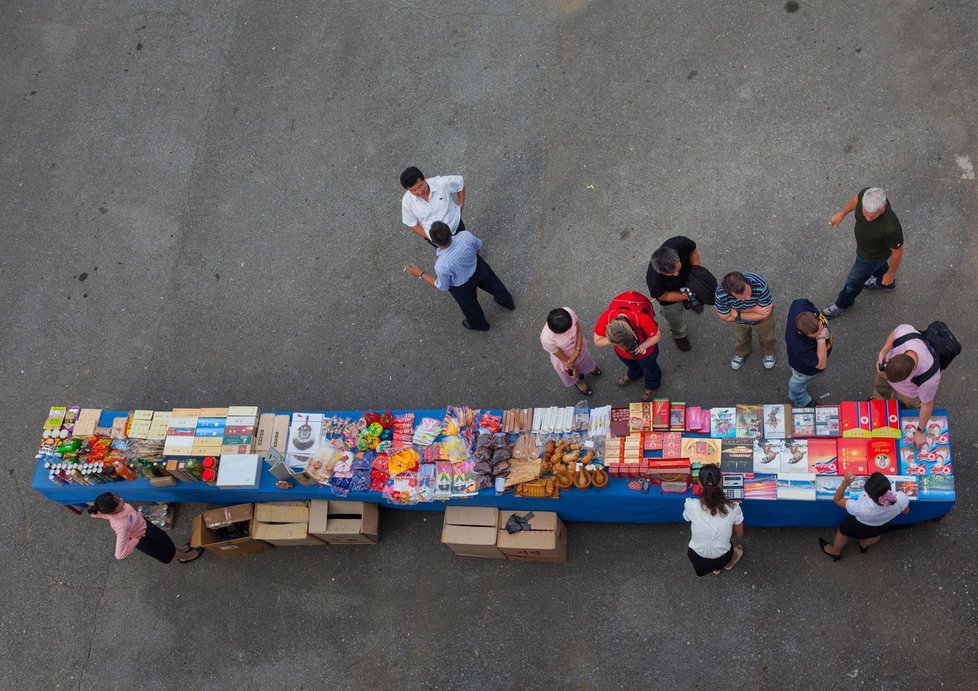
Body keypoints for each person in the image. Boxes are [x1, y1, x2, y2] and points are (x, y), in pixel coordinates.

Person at [404, 221, 514, 331]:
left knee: (470, 307)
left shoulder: (441, 265)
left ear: (433, 242)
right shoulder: (465, 236)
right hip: (478, 267)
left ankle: (480, 325)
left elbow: (442, 286)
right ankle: (507, 302)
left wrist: (420, 274)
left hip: (461, 286)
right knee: (495, 285)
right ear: (449, 231)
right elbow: (478, 246)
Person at [822, 187, 904, 319]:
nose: (868, 218)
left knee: (853, 282)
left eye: (873, 216)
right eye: (865, 214)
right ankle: (885, 283)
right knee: (879, 267)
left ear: (883, 207)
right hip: (867, 250)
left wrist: (891, 273)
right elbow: (856, 199)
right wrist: (841, 214)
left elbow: (897, 253)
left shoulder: (891, 228)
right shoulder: (867, 197)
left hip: (870, 257)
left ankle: (843, 304)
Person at [873, 324, 941, 449]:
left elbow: (927, 404)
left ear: (909, 375)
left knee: (910, 408)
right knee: (881, 387)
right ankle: (878, 404)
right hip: (895, 374)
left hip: (908, 394)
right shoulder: (905, 335)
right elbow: (894, 334)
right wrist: (883, 353)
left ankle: (901, 416)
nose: (888, 380)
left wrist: (920, 431)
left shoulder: (929, 378)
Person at [89, 492, 202, 564]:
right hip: (146, 539)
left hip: (146, 526)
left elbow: (99, 513)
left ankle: (178, 551)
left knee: (167, 543)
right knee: (167, 551)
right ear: (113, 510)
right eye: (118, 501)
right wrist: (135, 540)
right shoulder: (122, 526)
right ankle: (184, 557)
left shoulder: (112, 510)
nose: (121, 498)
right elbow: (119, 554)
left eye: (116, 496)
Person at [819, 472, 910, 560]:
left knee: (843, 532)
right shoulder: (900, 498)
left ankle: (835, 551)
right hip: (881, 525)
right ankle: (864, 545)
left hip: (858, 524)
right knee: (875, 536)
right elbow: (906, 512)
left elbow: (837, 499)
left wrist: (845, 483)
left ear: (870, 495)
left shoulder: (861, 508)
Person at [592, 290, 662, 401]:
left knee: (650, 369)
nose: (629, 349)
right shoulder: (606, 316)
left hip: (646, 352)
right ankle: (634, 374)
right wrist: (614, 340)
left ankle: (652, 384)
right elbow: (597, 341)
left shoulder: (641, 318)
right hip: (623, 355)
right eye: (622, 346)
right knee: (630, 364)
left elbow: (657, 335)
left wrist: (644, 345)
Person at [682, 464, 745, 576]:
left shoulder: (690, 505)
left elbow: (686, 518)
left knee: (711, 565)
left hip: (696, 557)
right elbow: (739, 534)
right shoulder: (733, 508)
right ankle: (728, 564)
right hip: (722, 556)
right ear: (720, 482)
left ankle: (715, 569)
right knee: (725, 556)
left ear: (699, 484)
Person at [646, 236, 701, 351]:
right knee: (674, 316)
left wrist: (696, 270)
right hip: (669, 293)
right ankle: (679, 334)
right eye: (670, 273)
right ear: (660, 271)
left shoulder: (682, 243)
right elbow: (664, 296)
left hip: (688, 279)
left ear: (677, 258)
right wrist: (684, 296)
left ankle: (691, 301)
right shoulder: (654, 281)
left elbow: (693, 252)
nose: (676, 274)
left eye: (677, 268)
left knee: (693, 293)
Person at [714, 271, 776, 370]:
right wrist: (754, 309)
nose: (747, 298)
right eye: (742, 298)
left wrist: (738, 314)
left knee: (768, 337)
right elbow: (725, 317)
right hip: (738, 321)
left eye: (748, 292)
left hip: (748, 319)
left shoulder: (760, 283)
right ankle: (741, 352)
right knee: (741, 338)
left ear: (747, 282)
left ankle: (768, 352)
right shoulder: (721, 294)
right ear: (730, 293)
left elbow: (765, 314)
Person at [541, 308, 603, 396]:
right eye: (565, 331)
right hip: (565, 358)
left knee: (586, 360)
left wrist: (577, 351)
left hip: (579, 346)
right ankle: (578, 382)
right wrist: (573, 368)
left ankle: (590, 369)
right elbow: (563, 359)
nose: (569, 332)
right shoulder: (547, 339)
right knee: (573, 373)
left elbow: (579, 331)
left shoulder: (568, 312)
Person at [784, 298, 833, 406]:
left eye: (820, 328)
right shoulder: (798, 344)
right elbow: (821, 364)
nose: (822, 332)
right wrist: (821, 339)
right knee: (796, 386)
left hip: (807, 358)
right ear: (800, 333)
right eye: (814, 335)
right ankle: (802, 401)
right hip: (804, 369)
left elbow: (800, 301)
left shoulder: (800, 305)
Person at [400, 166, 465, 245]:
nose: (419, 192)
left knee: (469, 249)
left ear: (424, 178)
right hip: (437, 240)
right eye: (413, 190)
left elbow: (460, 183)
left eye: (420, 186)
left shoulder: (441, 183)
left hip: (456, 227)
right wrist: (429, 237)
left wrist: (460, 207)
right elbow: (411, 223)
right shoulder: (407, 202)